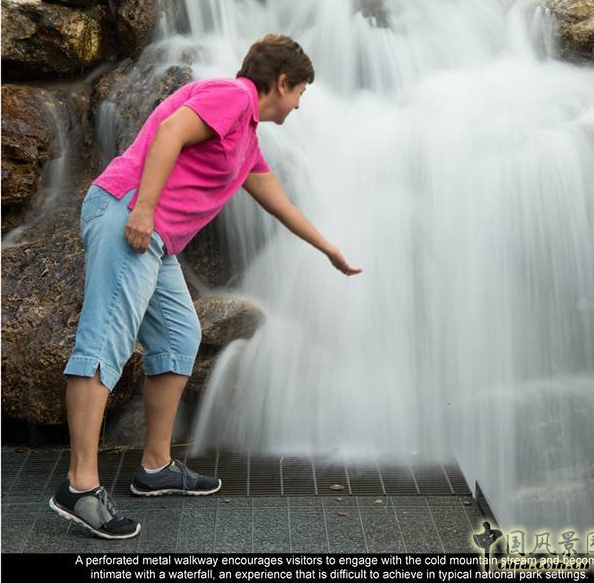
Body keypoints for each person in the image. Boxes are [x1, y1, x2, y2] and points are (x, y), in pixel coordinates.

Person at [49, 34, 362, 540]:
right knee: (104, 340)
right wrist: (145, 209)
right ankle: (80, 487)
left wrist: (327, 249)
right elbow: (170, 131)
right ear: (281, 83)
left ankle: (154, 467)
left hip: (156, 239)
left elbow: (276, 200)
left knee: (179, 337)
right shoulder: (233, 96)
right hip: (129, 213)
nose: (302, 102)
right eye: (301, 91)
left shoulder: (246, 138)